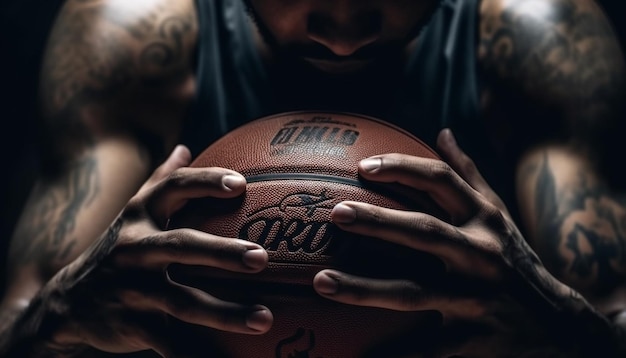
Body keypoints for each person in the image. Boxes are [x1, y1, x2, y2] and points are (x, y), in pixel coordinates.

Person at [1, 0, 625, 356]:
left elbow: (610, 311)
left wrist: (561, 319)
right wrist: (57, 311)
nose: (346, 34)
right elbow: (18, 320)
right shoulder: (132, 39)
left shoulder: (538, 39)